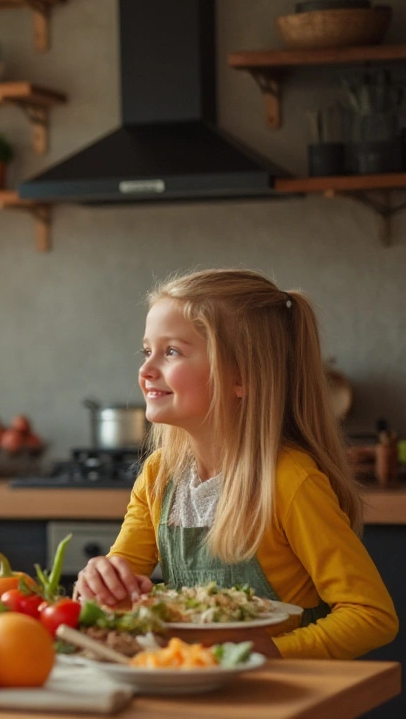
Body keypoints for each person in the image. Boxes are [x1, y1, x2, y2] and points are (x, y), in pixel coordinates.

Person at [77, 269, 397, 659]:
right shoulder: (160, 476)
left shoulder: (289, 481)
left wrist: (275, 651)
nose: (145, 371)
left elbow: (372, 616)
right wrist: (101, 580)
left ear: (241, 377)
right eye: (147, 351)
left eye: (172, 351)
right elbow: (119, 588)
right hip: (203, 687)